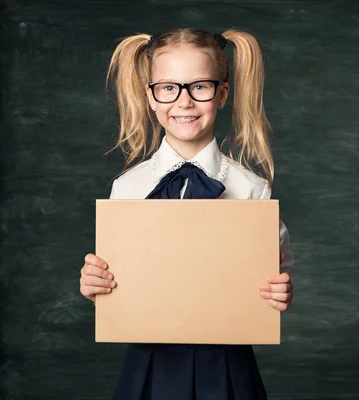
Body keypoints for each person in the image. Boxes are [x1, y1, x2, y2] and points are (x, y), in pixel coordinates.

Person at [79, 28, 294, 400]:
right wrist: (94, 284)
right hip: (149, 364)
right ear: (150, 96)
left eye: (200, 87)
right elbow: (116, 279)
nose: (184, 102)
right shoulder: (126, 188)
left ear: (222, 93)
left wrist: (280, 290)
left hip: (227, 365)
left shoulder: (251, 189)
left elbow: (279, 272)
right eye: (169, 88)